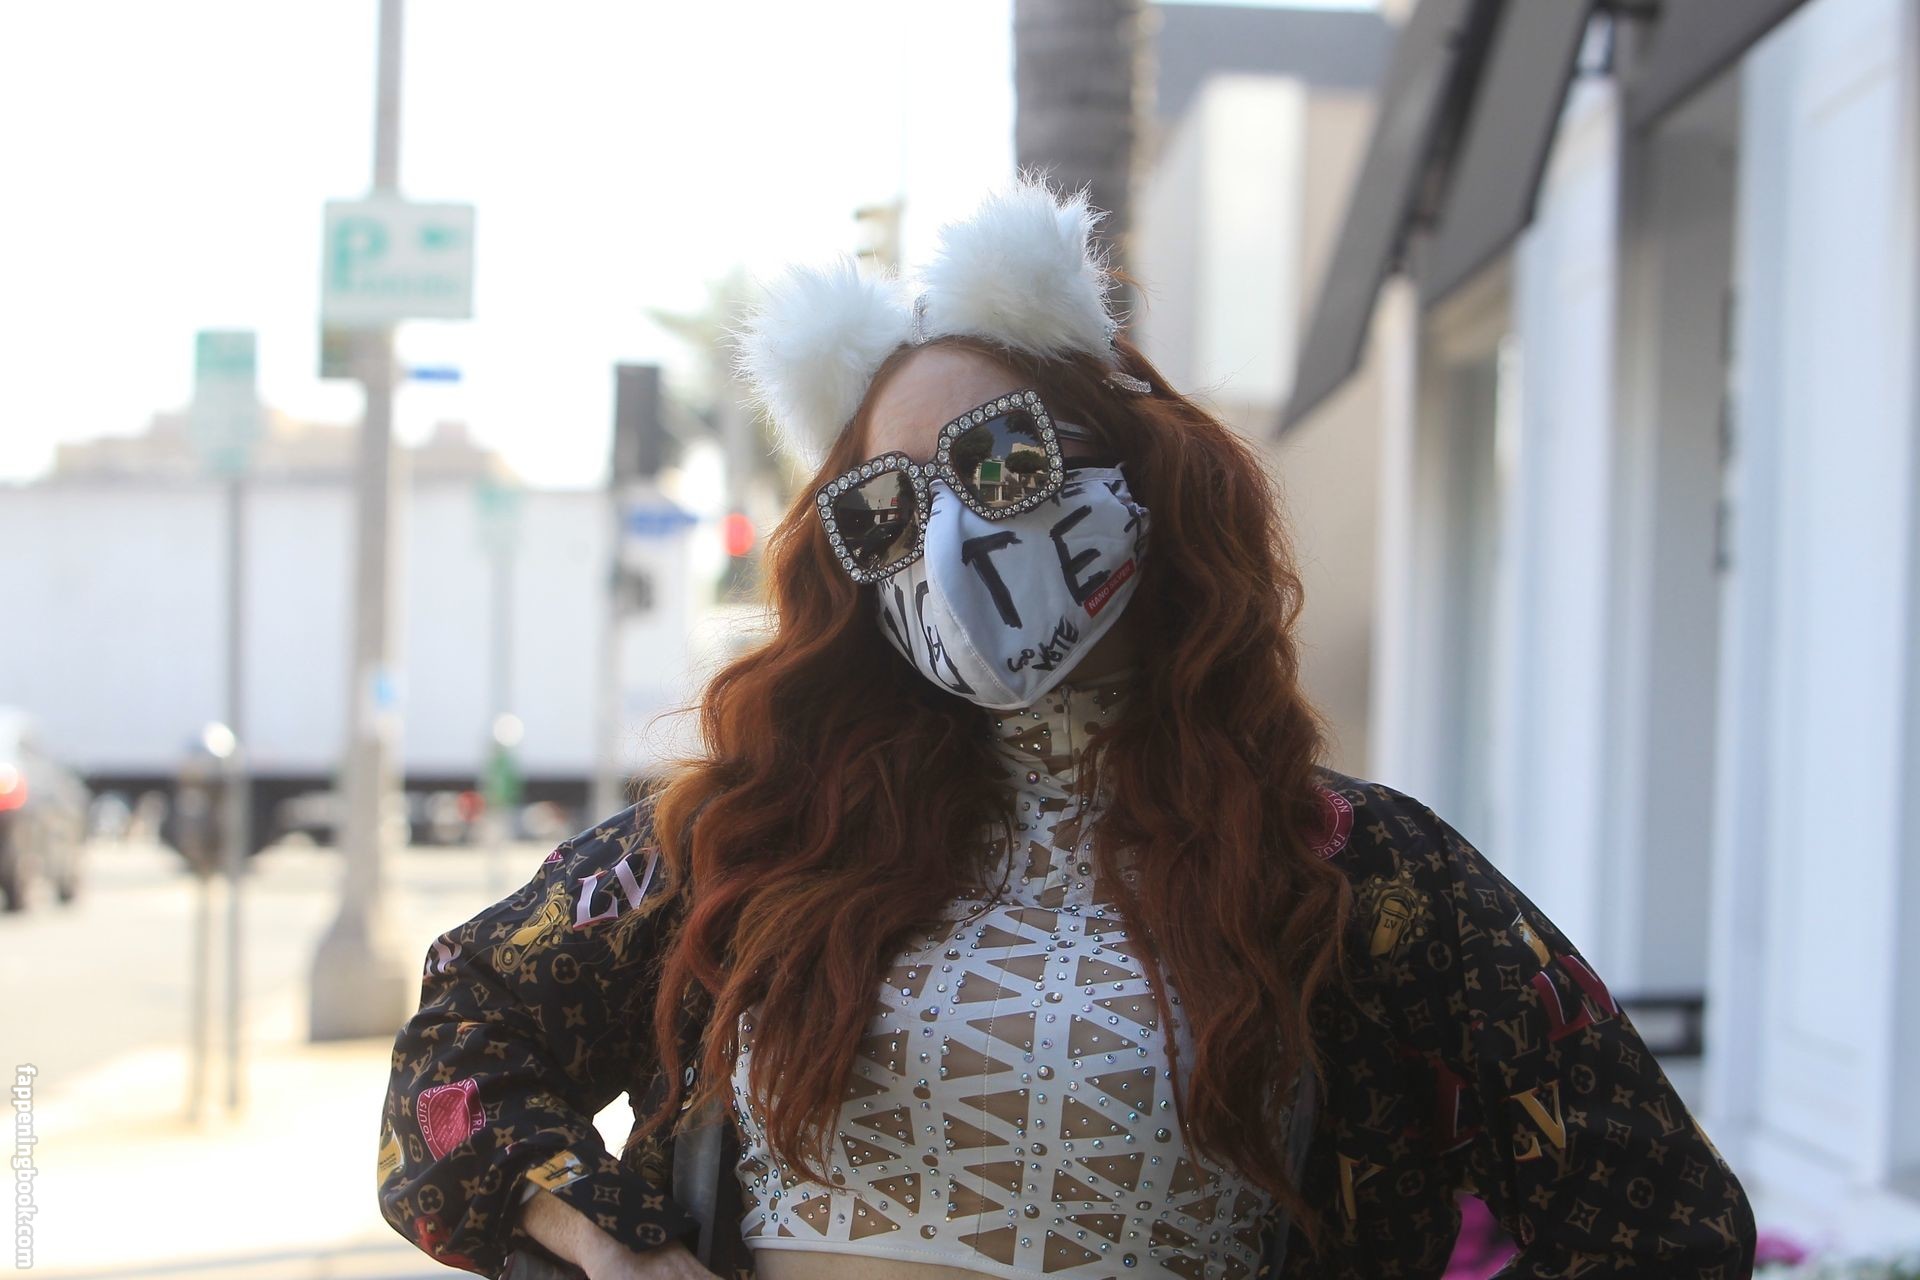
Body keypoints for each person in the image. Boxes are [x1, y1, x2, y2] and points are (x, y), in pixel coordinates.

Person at [376, 176, 1758, 1280]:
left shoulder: (1350, 871)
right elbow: (464, 1041)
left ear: (1138, 473)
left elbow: (1661, 1224)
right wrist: (606, 1241)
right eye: (887, 506)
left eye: (1001, 459)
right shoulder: (756, 836)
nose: (952, 538)